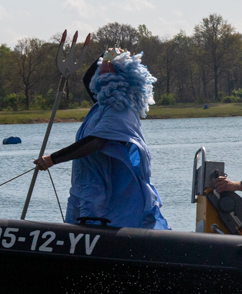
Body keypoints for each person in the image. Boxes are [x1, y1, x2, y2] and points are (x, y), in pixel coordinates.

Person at [33, 49, 169, 229]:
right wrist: (107, 54)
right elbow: (89, 79)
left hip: (102, 195)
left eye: (108, 71)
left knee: (89, 234)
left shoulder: (120, 109)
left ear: (123, 75)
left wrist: (53, 159)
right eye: (101, 71)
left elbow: (96, 141)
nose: (102, 75)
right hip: (82, 188)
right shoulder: (101, 105)